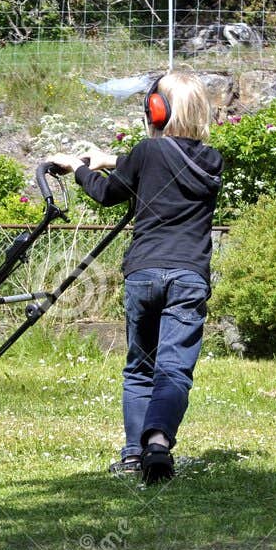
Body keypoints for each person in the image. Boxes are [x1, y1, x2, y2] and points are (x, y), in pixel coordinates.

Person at [47, 71, 222, 484]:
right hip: (189, 276)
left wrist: (79, 168)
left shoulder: (145, 152)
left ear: (155, 110)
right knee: (174, 369)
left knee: (140, 367)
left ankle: (132, 454)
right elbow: (160, 167)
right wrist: (110, 159)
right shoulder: (212, 161)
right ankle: (157, 444)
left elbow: (109, 193)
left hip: (144, 273)